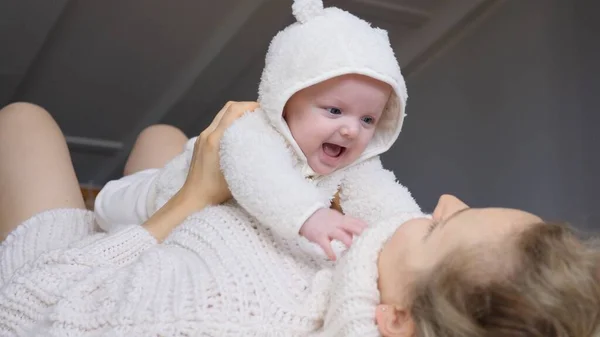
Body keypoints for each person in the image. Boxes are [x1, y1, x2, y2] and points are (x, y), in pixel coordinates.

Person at [1, 101, 599, 337]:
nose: (443, 202)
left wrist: (190, 201)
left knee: (25, 123)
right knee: (160, 134)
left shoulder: (214, 316)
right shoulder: (371, 276)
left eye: (441, 227)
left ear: (395, 318)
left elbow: (24, 307)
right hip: (186, 249)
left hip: (63, 278)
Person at [94, 0, 422, 261]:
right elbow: (262, 178)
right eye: (334, 111)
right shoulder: (255, 131)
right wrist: (310, 216)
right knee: (107, 211)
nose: (351, 130)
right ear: (286, 100)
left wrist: (417, 228)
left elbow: (382, 199)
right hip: (153, 200)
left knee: (160, 136)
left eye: (368, 119)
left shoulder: (356, 162)